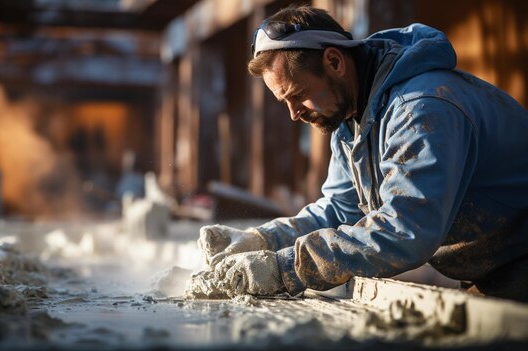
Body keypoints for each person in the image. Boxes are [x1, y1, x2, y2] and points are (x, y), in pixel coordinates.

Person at [196, 5, 528, 302]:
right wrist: (262, 240)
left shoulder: (420, 110)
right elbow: (340, 210)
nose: (293, 114)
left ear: (334, 61)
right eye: (283, 101)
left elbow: (406, 230)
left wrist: (285, 268)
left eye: (297, 95)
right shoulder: (351, 119)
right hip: (493, 272)